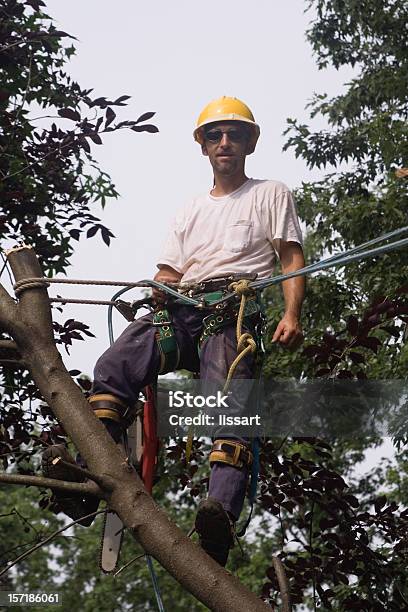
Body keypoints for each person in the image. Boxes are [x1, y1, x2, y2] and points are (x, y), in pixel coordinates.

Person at [43, 96, 305, 567]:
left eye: (235, 134)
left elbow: (290, 258)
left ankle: (219, 519)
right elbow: (169, 270)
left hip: (231, 311)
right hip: (183, 310)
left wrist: (292, 315)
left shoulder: (270, 193)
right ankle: (90, 476)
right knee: (116, 364)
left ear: (251, 142)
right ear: (202, 146)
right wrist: (156, 290)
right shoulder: (189, 208)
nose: (225, 143)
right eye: (214, 135)